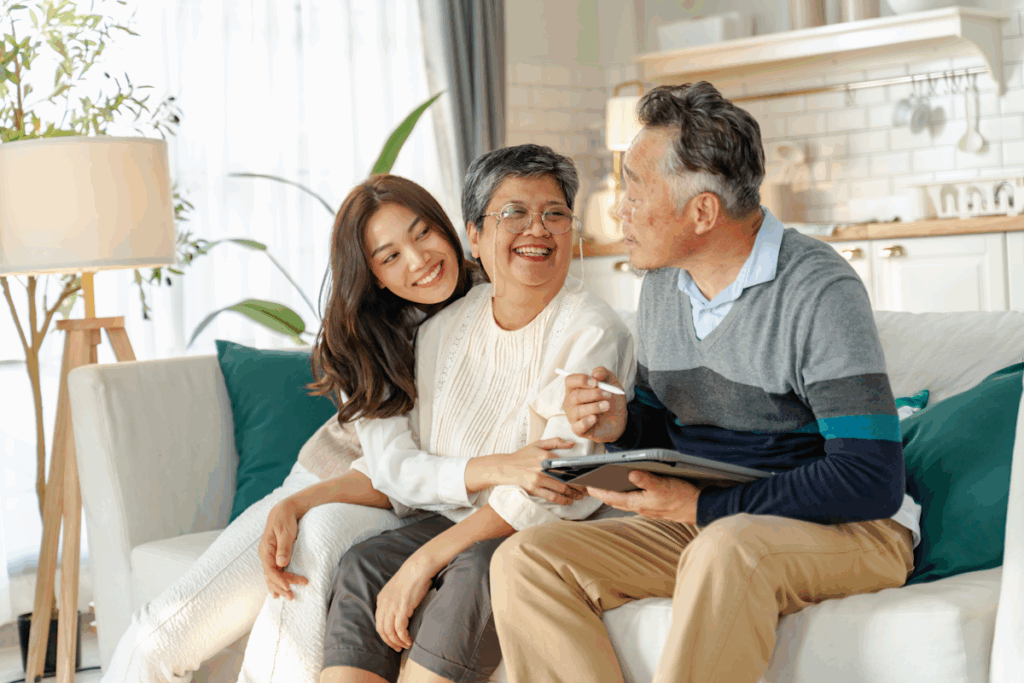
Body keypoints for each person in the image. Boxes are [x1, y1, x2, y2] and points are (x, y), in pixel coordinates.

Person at [489, 82, 922, 683]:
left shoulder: (818, 291)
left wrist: (710, 507)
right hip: (714, 524)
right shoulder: (665, 284)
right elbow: (660, 424)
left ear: (702, 212)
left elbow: (870, 479)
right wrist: (619, 426)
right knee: (526, 561)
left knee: (727, 545)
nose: (620, 210)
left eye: (636, 190)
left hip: (848, 530)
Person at [100, 174, 587, 683]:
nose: (419, 259)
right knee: (167, 631)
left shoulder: (507, 292)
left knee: (327, 531)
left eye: (423, 234)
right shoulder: (371, 337)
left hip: (425, 506)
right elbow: (390, 471)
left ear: (450, 229)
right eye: (390, 256)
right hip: (338, 483)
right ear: (373, 273)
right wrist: (295, 503)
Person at [317, 144, 636, 683]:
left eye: (554, 213)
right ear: (475, 235)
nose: (537, 229)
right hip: (456, 517)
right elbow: (410, 470)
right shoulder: (441, 330)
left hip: (525, 533)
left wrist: (424, 562)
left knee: (477, 566)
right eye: (513, 212)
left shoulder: (593, 330)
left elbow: (554, 486)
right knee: (362, 563)